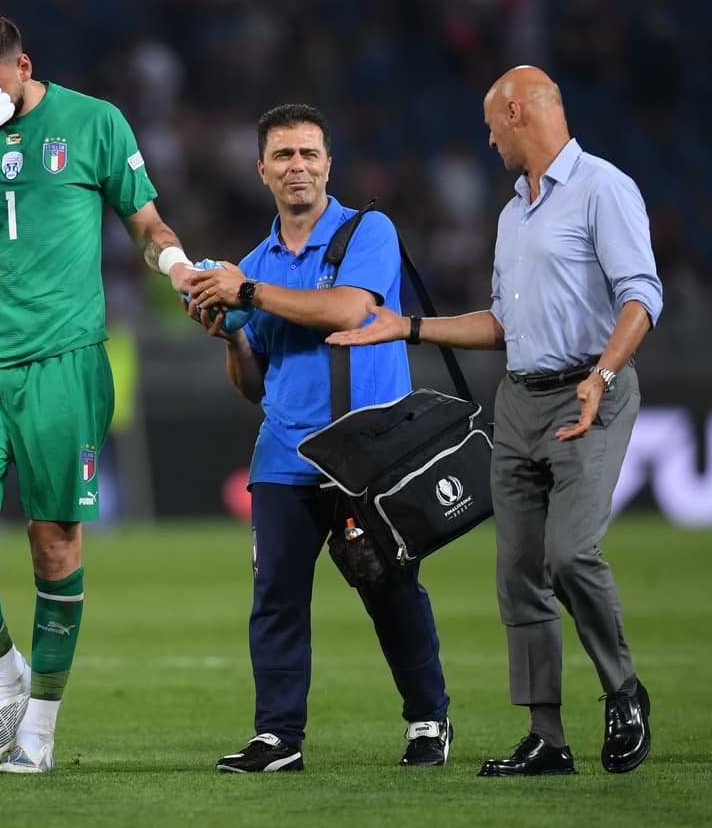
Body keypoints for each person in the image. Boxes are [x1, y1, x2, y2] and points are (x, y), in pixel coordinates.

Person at [328, 66, 662, 776]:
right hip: (519, 399)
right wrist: (408, 328)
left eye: (490, 123)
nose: (486, 138)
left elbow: (641, 298)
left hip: (586, 392)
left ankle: (624, 691)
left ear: (517, 113)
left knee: (570, 555)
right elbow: (503, 323)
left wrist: (602, 376)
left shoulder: (605, 189)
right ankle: (548, 736)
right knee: (517, 574)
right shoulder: (514, 213)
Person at [0, 11, 196, 774]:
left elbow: (145, 221)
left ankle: (39, 728)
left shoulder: (95, 122)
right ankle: (7, 676)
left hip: (63, 361)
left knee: (54, 541)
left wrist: (174, 268)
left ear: (22, 66)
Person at [184, 103, 452, 773]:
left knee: (389, 588)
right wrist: (233, 331)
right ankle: (278, 736)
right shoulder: (255, 262)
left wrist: (247, 292)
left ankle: (428, 720)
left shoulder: (369, 230)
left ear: (329, 164)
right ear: (262, 171)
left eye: (308, 153)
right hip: (284, 453)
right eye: (283, 155)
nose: (297, 166)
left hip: (369, 453)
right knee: (274, 593)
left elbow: (350, 308)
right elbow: (252, 382)